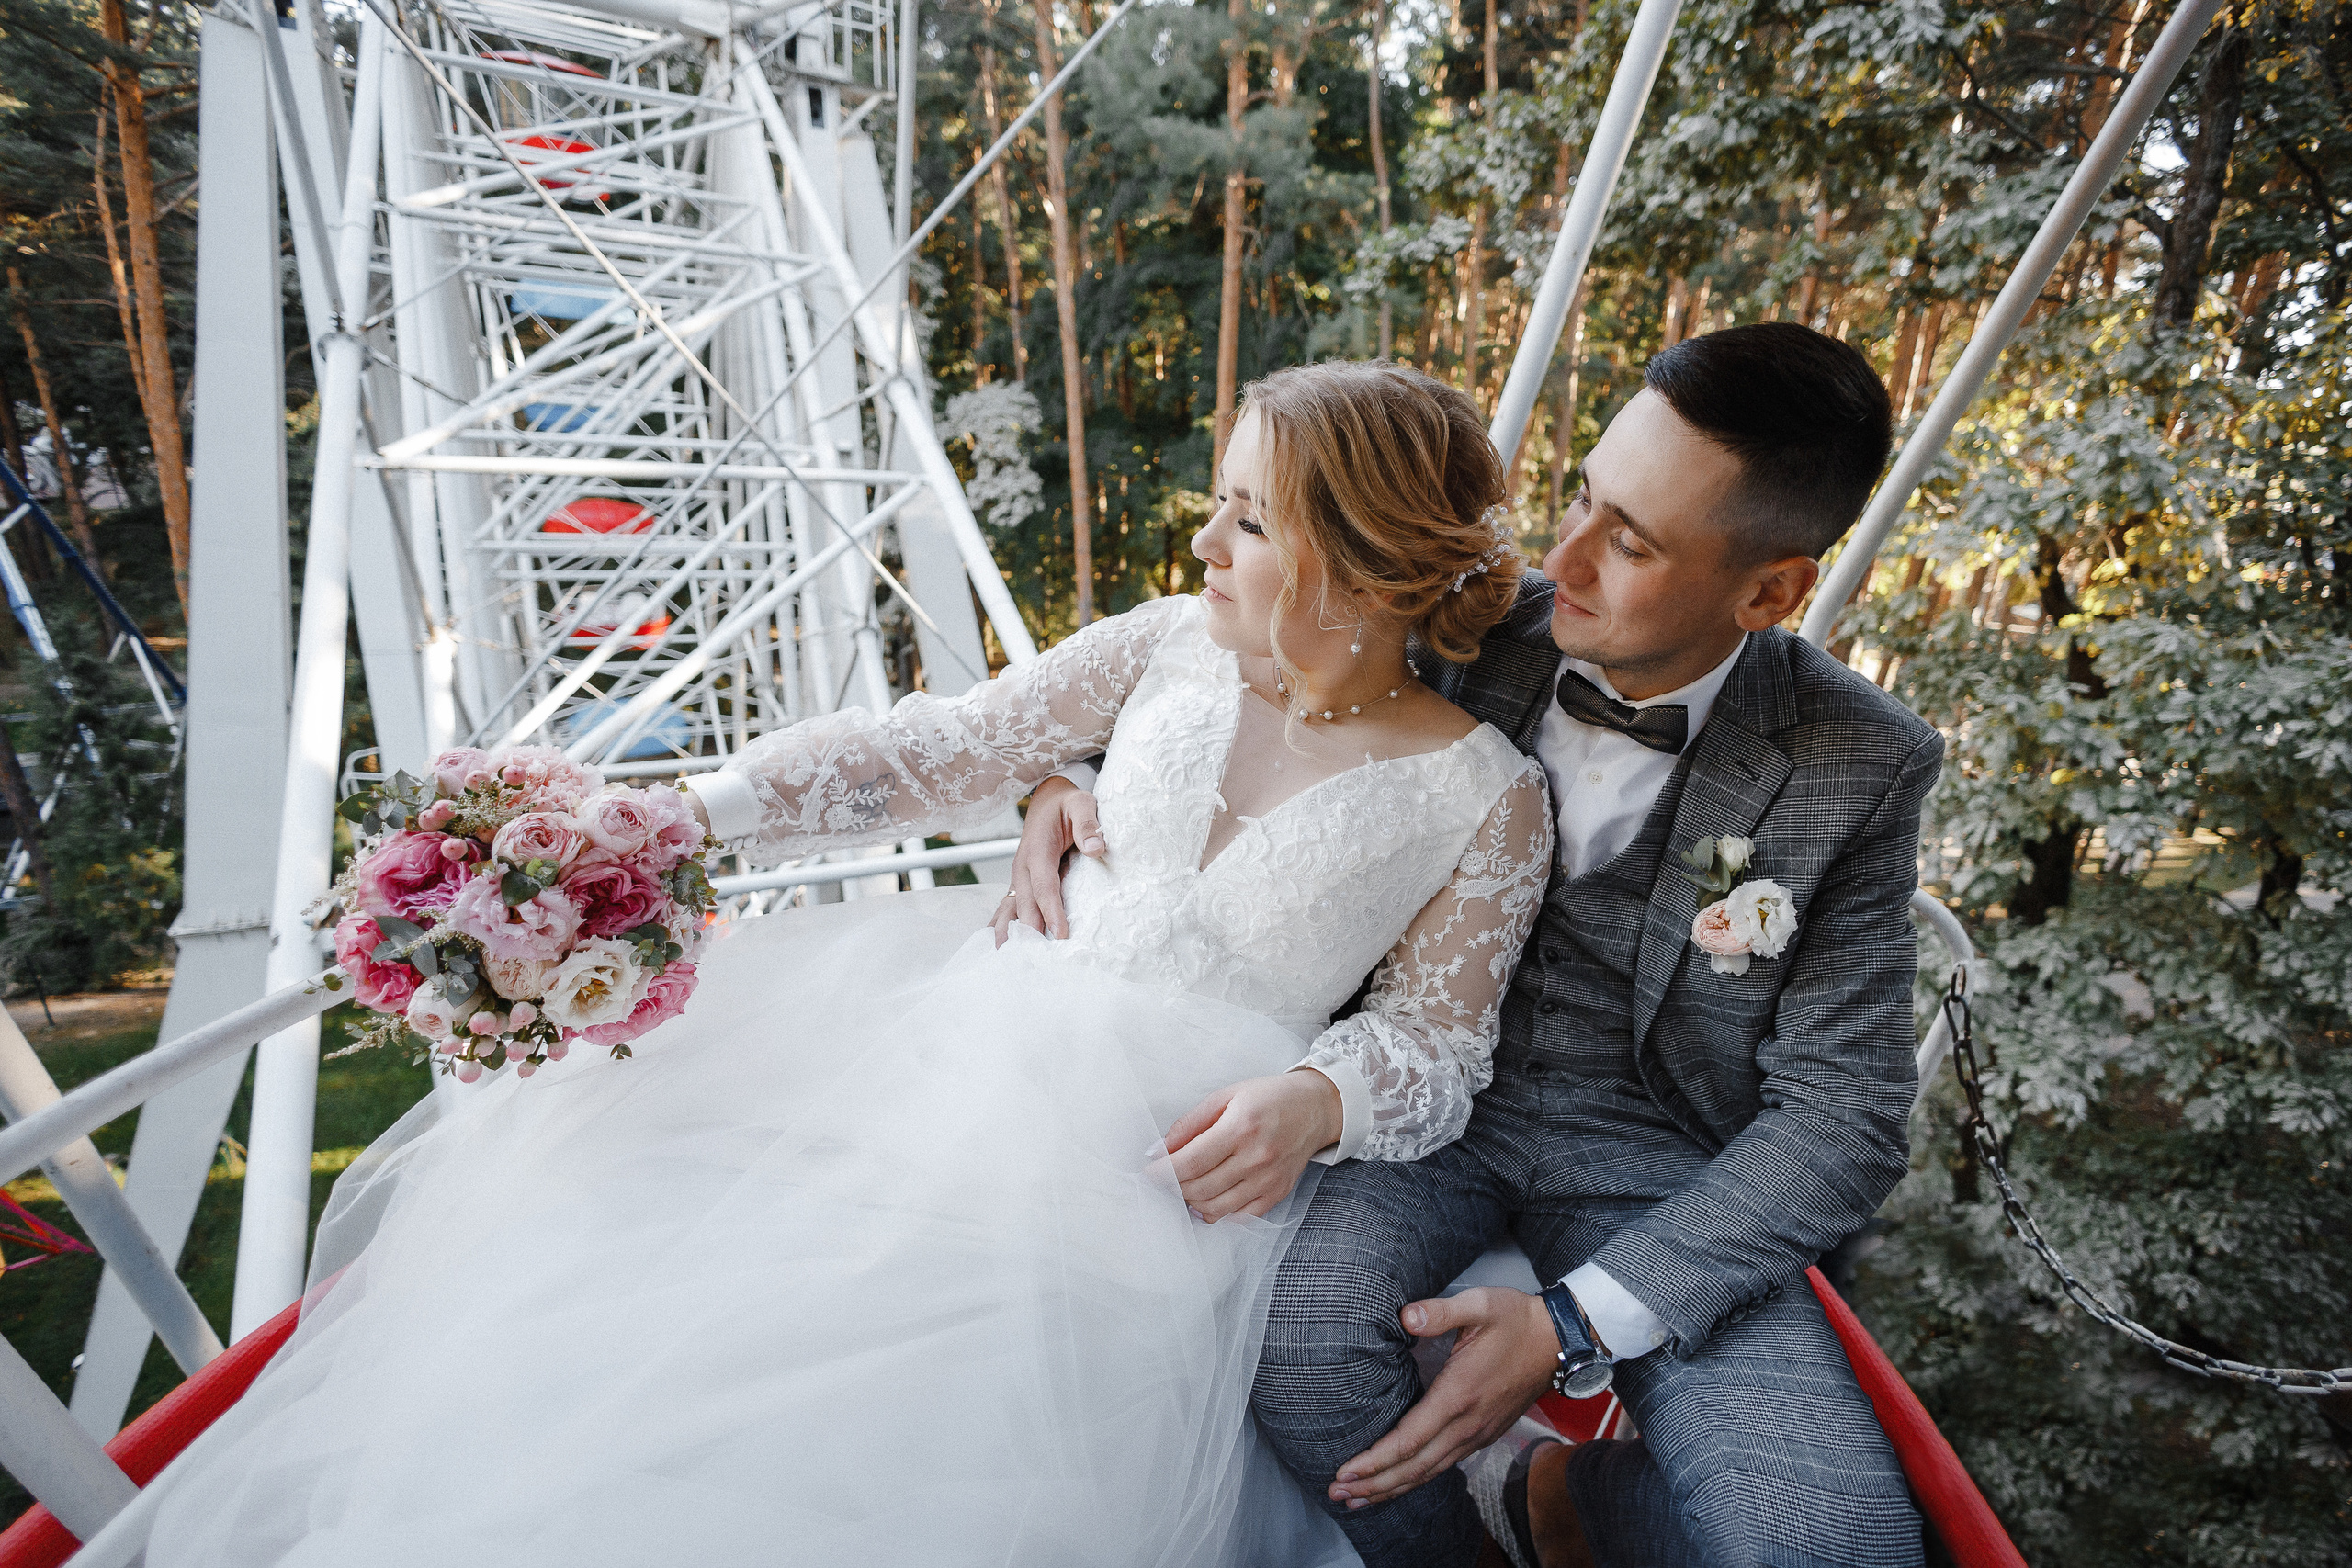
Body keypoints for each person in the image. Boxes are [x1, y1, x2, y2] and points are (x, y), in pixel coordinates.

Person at [139, 361, 1552, 1568]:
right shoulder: (1168, 647)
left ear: (1359, 555)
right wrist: (682, 817)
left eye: (1249, 516)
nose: (1204, 539)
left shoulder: (1485, 793)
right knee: (712, 1319)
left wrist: (1320, 1097)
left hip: (1177, 1180)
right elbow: (934, 750)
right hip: (978, 1053)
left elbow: (1438, 1048)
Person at [1009, 324, 1944, 1567]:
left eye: (1630, 542)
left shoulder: (1861, 760)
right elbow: (1230, 666)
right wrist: (1067, 784)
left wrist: (1572, 1324)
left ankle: (1561, 1501)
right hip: (1415, 1117)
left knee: (1836, 1547)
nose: (1561, 560)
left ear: (1769, 594)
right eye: (1583, 498)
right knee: (1305, 1351)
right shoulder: (1464, 614)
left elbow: (1845, 1117)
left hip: (1660, 1166)